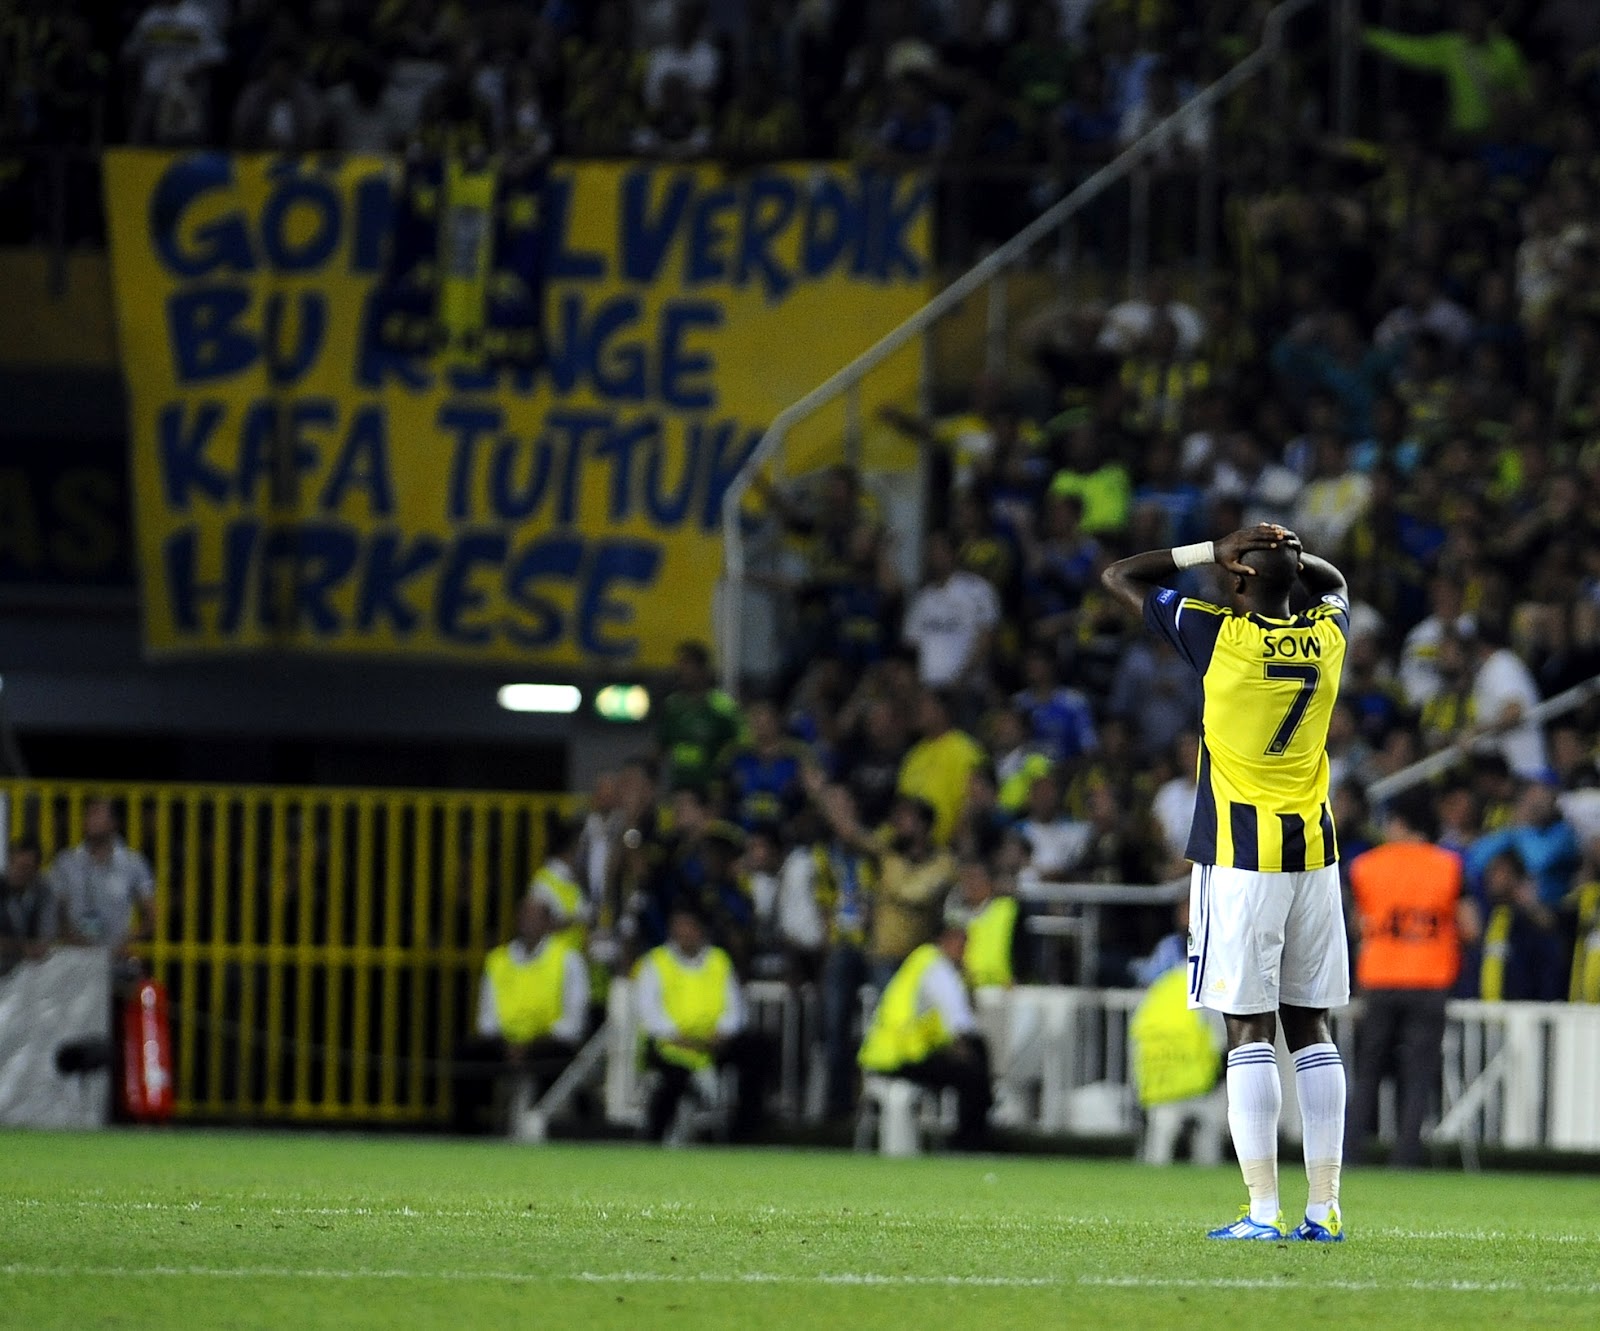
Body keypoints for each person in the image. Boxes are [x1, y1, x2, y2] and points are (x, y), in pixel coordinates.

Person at [1101, 523, 1352, 1242]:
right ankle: (1325, 1205)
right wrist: (1290, 557)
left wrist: (1209, 549)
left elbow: (1121, 572)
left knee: (1247, 1029)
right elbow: (1333, 585)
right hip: (1315, 855)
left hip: (1241, 861)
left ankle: (1264, 1210)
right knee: (1310, 1027)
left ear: (1239, 580)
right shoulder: (1328, 636)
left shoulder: (1221, 638)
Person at [1346, 793, 1478, 1167]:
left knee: (1368, 1070)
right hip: (1430, 977)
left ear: (1399, 823)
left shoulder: (1367, 865)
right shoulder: (1450, 865)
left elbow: (1358, 924)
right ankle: (1405, 1155)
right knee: (1418, 1072)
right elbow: (1470, 926)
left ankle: (1351, 1152)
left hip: (1381, 975)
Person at [453, 896, 589, 1134]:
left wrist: (529, 1046)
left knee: (555, 1059)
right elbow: (486, 1019)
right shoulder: (498, 960)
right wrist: (510, 1046)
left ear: (548, 922)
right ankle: (468, 1133)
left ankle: (550, 1133)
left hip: (547, 1042)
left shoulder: (568, 960)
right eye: (524, 915)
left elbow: (573, 1022)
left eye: (535, 916)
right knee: (465, 1055)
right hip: (504, 1043)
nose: (527, 922)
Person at [634, 901, 769, 1142]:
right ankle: (652, 1139)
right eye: (678, 927)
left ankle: (743, 1135)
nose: (683, 933)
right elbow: (649, 1014)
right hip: (671, 1044)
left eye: (688, 927)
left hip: (712, 1043)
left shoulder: (718, 960)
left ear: (701, 930)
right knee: (672, 1079)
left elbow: (734, 1009)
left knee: (757, 1051)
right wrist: (681, 1037)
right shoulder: (656, 962)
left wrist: (722, 1034)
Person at [857, 914, 992, 1150]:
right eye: (963, 943)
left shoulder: (920, 962)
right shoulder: (937, 967)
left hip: (883, 1056)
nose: (965, 951)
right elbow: (960, 1022)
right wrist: (967, 1056)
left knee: (969, 1068)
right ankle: (969, 1144)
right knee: (972, 1074)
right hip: (902, 1057)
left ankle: (966, 1140)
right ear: (948, 940)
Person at [46, 799, 154, 952]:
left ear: (113, 823)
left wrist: (128, 940)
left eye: (96, 814)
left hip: (114, 955)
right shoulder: (66, 862)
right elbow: (54, 907)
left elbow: (151, 913)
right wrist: (67, 934)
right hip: (73, 953)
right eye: (88, 815)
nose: (90, 820)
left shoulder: (133, 863)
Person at [956, 858, 1018, 989]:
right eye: (966, 878)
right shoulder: (955, 916)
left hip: (1003, 988)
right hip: (968, 988)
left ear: (990, 882)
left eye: (975, 878)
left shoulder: (1006, 909)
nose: (970, 884)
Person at [0, 838, 55, 973]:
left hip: (31, 970)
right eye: (15, 865)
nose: (17, 873)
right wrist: (22, 947)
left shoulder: (43, 891)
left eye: (25, 868)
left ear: (36, 870)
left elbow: (46, 936)